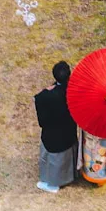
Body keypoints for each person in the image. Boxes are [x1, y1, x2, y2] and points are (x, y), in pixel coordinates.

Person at [34, 61, 78, 193]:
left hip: (53, 135)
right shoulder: (75, 90)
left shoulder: (45, 97)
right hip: (69, 132)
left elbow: (42, 120)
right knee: (67, 153)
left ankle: (54, 183)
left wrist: (45, 92)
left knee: (55, 158)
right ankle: (71, 175)